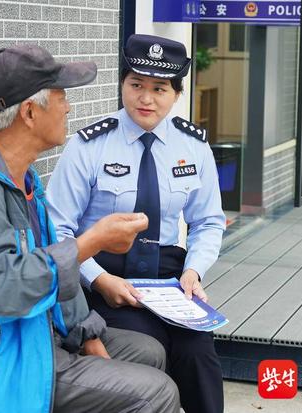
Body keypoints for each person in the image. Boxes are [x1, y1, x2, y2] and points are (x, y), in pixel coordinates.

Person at [0, 44, 180, 413]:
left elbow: (50, 267)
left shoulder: (22, 176)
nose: (68, 107)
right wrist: (89, 244)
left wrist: (85, 333)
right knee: (155, 392)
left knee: (148, 351)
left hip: (35, 338)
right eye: (61, 96)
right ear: (31, 113)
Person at [47, 34, 227, 413]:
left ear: (176, 93)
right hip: (106, 275)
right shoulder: (89, 145)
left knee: (199, 356)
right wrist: (98, 279)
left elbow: (208, 221)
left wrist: (194, 272)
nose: (146, 99)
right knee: (149, 348)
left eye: (159, 88)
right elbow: (57, 229)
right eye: (136, 85)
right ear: (123, 84)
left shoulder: (193, 146)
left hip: (170, 279)